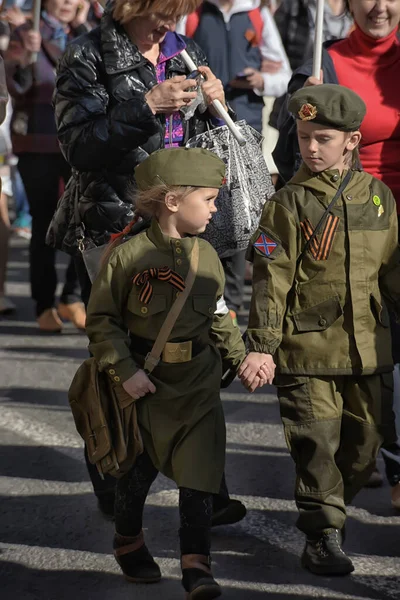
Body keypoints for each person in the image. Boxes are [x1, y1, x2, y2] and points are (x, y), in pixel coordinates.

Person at [240, 84, 400, 575]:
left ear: (352, 140)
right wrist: (263, 346)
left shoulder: (379, 198)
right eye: (304, 136)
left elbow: (393, 272)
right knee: (316, 443)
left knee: (365, 446)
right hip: (305, 349)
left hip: (368, 348)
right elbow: (272, 280)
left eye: (323, 138)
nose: (310, 147)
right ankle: (323, 531)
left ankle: (332, 509)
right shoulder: (286, 204)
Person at [84, 147, 246, 599]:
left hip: (198, 385)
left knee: (200, 477)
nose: (216, 209)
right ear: (173, 201)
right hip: (146, 387)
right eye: (210, 200)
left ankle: (197, 565)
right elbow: (102, 322)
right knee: (136, 476)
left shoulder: (208, 256)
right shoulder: (126, 256)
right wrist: (124, 371)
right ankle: (128, 543)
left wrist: (240, 358)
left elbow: (219, 315)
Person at [273, 0, 400, 508]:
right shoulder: (324, 63)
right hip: (351, 232)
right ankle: (358, 459)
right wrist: (297, 102)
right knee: (364, 354)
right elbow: (290, 159)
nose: (381, 6)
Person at [178, 0, 291, 322]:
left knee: (241, 211)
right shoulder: (193, 12)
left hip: (243, 124)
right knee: (203, 211)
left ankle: (231, 302)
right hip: (199, 131)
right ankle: (205, 295)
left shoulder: (256, 14)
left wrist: (260, 80)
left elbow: (282, 73)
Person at [4, 0, 91, 331]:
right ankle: (44, 303)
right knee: (44, 222)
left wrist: (83, 27)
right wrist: (25, 59)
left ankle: (72, 296)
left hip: (81, 142)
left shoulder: (86, 34)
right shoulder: (27, 33)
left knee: (83, 220)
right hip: (39, 141)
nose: (69, 3)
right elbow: (17, 86)